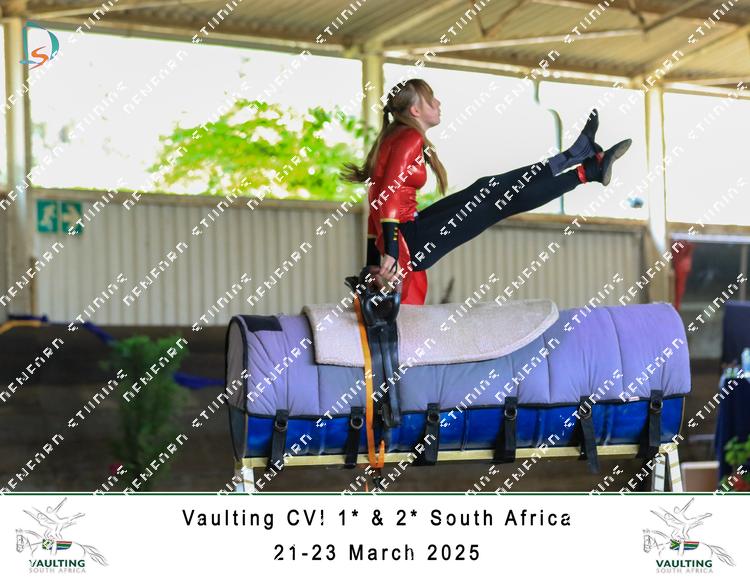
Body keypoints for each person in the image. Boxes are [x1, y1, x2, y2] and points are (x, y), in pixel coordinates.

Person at [340, 78, 631, 305]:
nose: (438, 103)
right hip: (411, 239)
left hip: (411, 232)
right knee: (499, 201)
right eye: (431, 99)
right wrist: (391, 252)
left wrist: (373, 259)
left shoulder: (394, 137)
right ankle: (587, 171)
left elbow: (375, 203)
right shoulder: (409, 138)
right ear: (415, 111)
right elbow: (387, 194)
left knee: (487, 188)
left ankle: (576, 155)